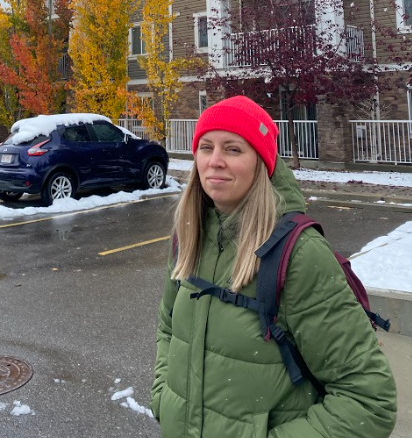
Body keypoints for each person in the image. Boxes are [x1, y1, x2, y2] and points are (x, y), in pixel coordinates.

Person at [151, 95, 397, 438]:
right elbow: (167, 327)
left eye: (233, 149)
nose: (215, 161)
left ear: (261, 162)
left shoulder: (299, 254)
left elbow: (369, 400)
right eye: (206, 147)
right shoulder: (188, 236)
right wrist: (163, 396)